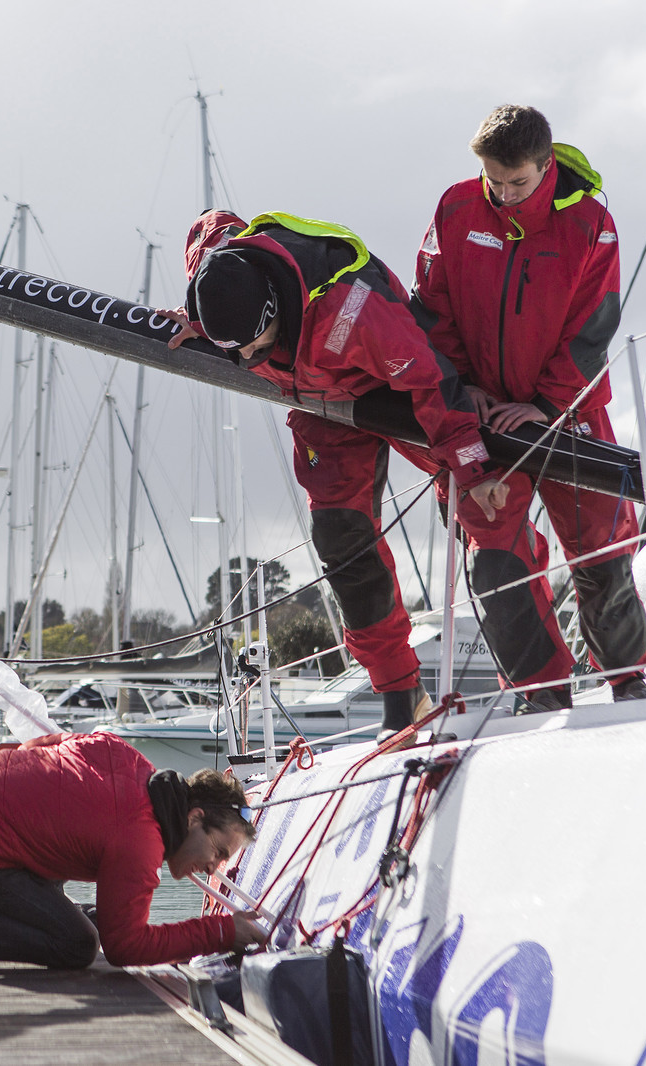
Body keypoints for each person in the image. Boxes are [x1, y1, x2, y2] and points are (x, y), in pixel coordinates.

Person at [160, 210, 506, 740]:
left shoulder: (356, 310)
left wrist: (473, 467)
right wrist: (198, 318)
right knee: (342, 541)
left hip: (390, 387)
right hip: (321, 406)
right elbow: (211, 229)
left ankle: (538, 685)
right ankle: (400, 697)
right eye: (237, 353)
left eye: (256, 345)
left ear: (275, 308)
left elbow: (430, 381)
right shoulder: (220, 277)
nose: (248, 358)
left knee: (485, 513)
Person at [411, 105, 646, 709]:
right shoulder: (455, 209)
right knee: (495, 565)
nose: (503, 194)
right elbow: (431, 309)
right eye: (493, 180)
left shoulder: (592, 224)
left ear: (546, 165)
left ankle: (629, 680)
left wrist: (547, 403)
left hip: (569, 412)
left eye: (516, 182)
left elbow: (593, 327)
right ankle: (541, 693)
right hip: (483, 418)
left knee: (601, 549)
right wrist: (461, 388)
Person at [0, 731, 264, 969]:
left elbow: (43, 746)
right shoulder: (140, 840)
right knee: (77, 944)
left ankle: (67, 909)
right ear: (194, 818)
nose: (214, 867)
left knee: (87, 911)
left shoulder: (127, 757)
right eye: (218, 850)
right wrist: (221, 932)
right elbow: (124, 948)